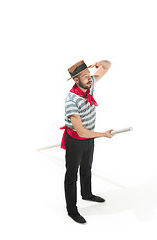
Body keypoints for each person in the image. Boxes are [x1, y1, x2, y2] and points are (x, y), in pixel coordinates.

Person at [60, 60, 114, 224]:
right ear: (76, 80)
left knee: (87, 167)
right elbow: (81, 131)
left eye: (88, 74)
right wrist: (102, 134)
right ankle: (72, 210)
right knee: (71, 175)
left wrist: (99, 62)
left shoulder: (90, 85)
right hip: (76, 141)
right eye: (84, 76)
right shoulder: (71, 101)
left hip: (89, 138)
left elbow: (107, 66)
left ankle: (87, 194)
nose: (89, 78)